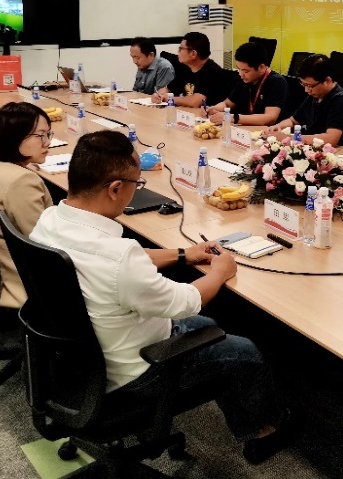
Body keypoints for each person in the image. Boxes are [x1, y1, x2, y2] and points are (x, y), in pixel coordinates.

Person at [29, 131, 295, 464]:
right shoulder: (120, 258)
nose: (135, 190)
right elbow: (186, 300)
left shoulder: (51, 219)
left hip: (76, 358)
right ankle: (266, 429)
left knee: (210, 327)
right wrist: (220, 272)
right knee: (245, 352)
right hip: (136, 371)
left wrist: (183, 254)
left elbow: (116, 260)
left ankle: (243, 417)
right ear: (115, 188)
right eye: (136, 184)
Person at [0, 102, 54, 309]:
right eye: (40, 135)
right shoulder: (22, 181)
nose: (47, 142)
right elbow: (43, 242)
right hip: (25, 279)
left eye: (48, 134)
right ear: (14, 137)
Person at [261, 54, 343, 147]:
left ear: (327, 80)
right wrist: (277, 127)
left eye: (310, 86)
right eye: (304, 85)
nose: (307, 90)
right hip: (311, 148)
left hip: (337, 153)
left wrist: (290, 138)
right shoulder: (316, 94)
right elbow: (293, 121)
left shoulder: (340, 101)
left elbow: (331, 139)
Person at [207, 42, 288, 127]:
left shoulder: (276, 82)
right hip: (247, 129)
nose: (241, 74)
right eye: (239, 69)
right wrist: (214, 108)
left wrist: (233, 118)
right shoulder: (245, 79)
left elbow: (270, 118)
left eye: (245, 71)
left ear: (261, 67)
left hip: (268, 132)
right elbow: (227, 104)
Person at [153, 32, 229, 108]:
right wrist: (158, 95)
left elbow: (195, 102)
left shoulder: (212, 72)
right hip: (186, 112)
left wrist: (171, 98)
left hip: (207, 114)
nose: (178, 52)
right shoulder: (186, 68)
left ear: (193, 54)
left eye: (181, 49)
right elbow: (169, 88)